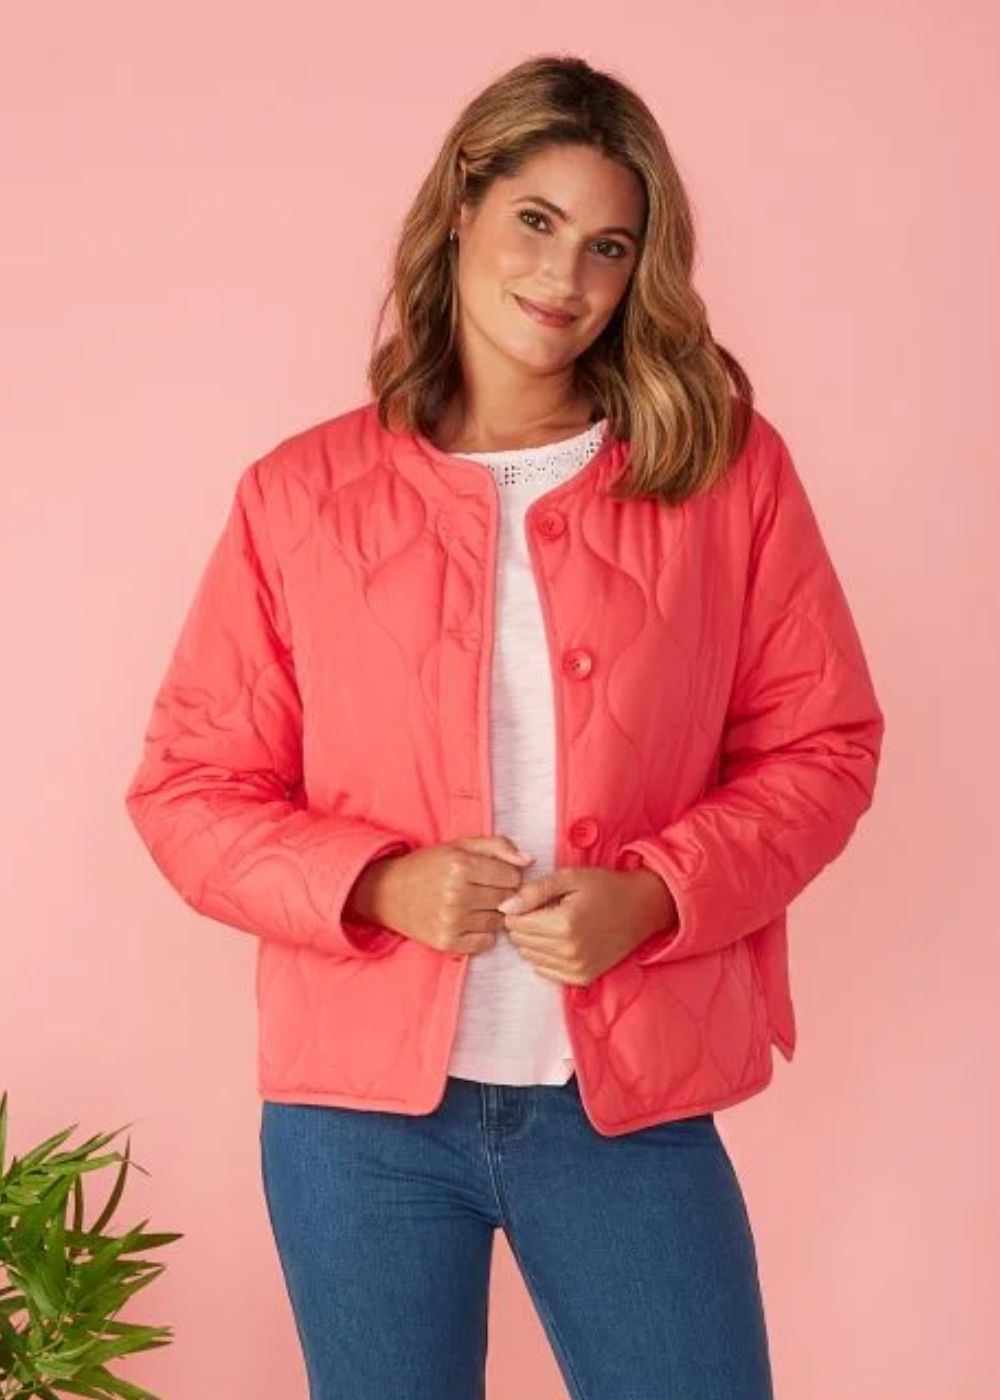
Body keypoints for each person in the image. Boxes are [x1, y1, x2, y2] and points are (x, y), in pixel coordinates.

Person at [124, 54, 885, 1400]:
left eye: (609, 245)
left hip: (626, 1099)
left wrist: (658, 894)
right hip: (357, 1123)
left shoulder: (723, 473)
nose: (565, 276)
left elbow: (824, 745)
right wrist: (377, 882)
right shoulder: (299, 495)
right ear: (463, 208)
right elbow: (190, 788)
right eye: (536, 219)